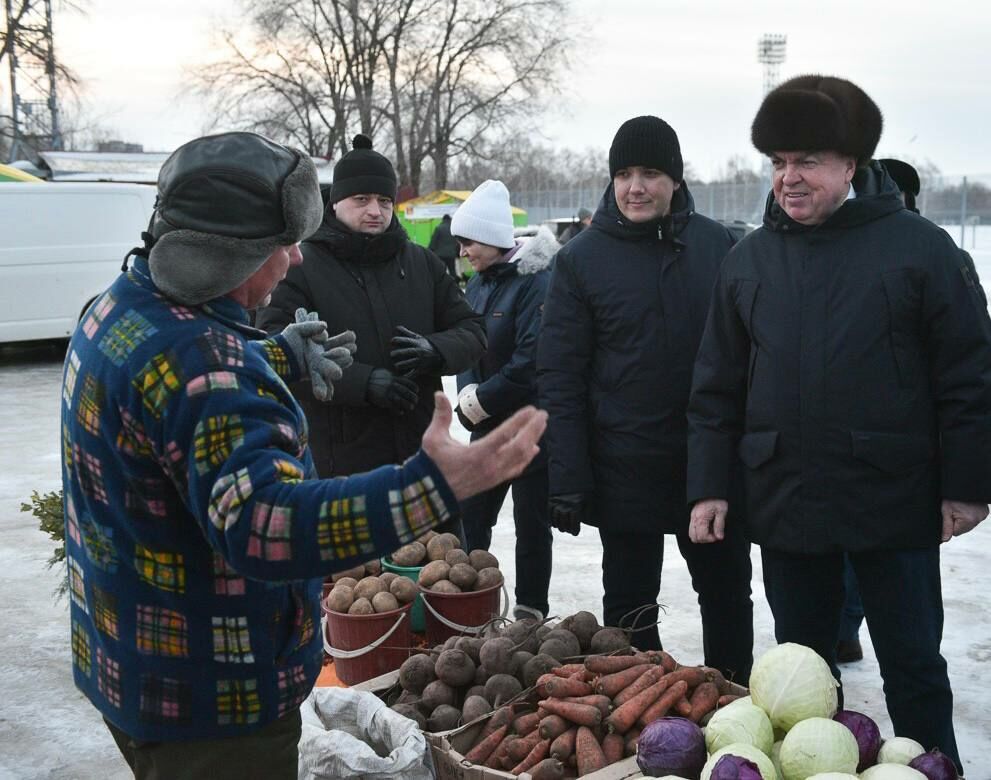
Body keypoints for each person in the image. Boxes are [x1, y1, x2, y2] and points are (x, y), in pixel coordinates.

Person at [60, 131, 547, 780]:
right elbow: (266, 528)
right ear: (221, 253)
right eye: (279, 243)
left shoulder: (117, 306)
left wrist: (274, 356)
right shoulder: (205, 367)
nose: (294, 258)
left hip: (131, 663)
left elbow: (175, 390)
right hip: (213, 705)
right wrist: (430, 488)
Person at [687, 76, 991, 773]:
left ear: (849, 165)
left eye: (808, 162)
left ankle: (934, 767)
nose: (789, 179)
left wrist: (967, 484)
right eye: (778, 163)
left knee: (912, 665)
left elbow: (967, 375)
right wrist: (709, 485)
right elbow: (715, 390)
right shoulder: (747, 261)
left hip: (893, 499)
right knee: (801, 676)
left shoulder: (918, 249)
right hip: (786, 502)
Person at [537, 116, 754, 682]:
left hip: (708, 469)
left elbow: (749, 360)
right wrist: (568, 476)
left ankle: (732, 700)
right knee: (631, 608)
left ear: (676, 180)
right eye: (624, 173)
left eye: (651, 173)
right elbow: (560, 376)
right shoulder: (580, 260)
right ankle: (645, 721)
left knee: (727, 594)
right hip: (624, 466)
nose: (636, 186)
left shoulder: (720, 247)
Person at [255, 135, 486, 484]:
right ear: (334, 202)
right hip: (341, 461)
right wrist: (364, 382)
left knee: (440, 542)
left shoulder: (421, 263)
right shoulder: (302, 265)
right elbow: (277, 350)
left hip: (422, 456)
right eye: (361, 199)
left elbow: (473, 330)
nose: (375, 211)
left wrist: (434, 350)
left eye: (384, 200)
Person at [836, 157, 991, 665]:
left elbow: (968, 369)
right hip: (843, 460)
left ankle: (850, 628)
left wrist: (963, 479)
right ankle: (842, 628)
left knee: (903, 612)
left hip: (907, 465)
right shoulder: (848, 254)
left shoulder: (935, 255)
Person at [450, 180, 557, 620]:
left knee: (532, 525)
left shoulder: (534, 283)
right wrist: (467, 395)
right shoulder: (478, 283)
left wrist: (484, 399)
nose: (463, 252)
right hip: (487, 426)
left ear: (494, 238)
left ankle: (530, 613)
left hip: (530, 428)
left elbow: (532, 357)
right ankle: (465, 607)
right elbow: (465, 342)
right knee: (470, 519)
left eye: (468, 241)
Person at [428, 212, 460, 279]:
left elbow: (433, 241)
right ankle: (454, 286)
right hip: (451, 254)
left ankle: (442, 287)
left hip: (440, 255)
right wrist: (457, 253)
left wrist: (429, 251)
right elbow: (457, 242)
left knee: (441, 271)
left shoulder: (438, 228)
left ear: (443, 220)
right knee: (452, 271)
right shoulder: (453, 229)